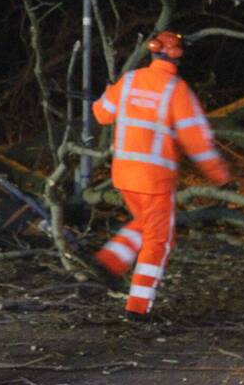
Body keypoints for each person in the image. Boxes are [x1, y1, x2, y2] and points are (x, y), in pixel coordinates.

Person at [90, 31, 231, 320]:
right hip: (154, 179)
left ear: (151, 52)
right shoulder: (176, 90)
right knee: (159, 240)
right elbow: (198, 142)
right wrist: (222, 178)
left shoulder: (130, 80)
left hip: (124, 174)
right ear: (178, 56)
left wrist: (108, 92)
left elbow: (101, 114)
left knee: (145, 224)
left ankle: (110, 261)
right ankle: (137, 308)